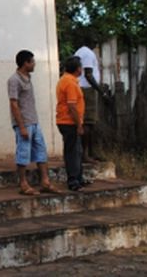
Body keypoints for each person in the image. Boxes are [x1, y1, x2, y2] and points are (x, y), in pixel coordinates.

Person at [8, 50, 61, 195]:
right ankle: (23, 184)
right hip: (24, 123)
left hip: (34, 121)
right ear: (26, 63)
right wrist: (21, 126)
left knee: (41, 152)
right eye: (32, 61)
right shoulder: (14, 80)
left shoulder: (27, 78)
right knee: (23, 153)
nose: (34, 64)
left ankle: (45, 182)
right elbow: (14, 104)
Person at [56, 56, 86, 191]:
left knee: (77, 150)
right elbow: (72, 106)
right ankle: (73, 179)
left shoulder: (67, 80)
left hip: (68, 121)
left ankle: (78, 177)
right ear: (78, 69)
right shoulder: (70, 83)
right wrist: (78, 124)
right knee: (72, 151)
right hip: (69, 122)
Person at [74, 40, 104, 162]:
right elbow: (88, 75)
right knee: (87, 122)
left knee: (90, 123)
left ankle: (90, 153)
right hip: (86, 89)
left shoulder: (81, 51)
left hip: (85, 88)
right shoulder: (87, 53)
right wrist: (101, 91)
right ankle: (85, 155)